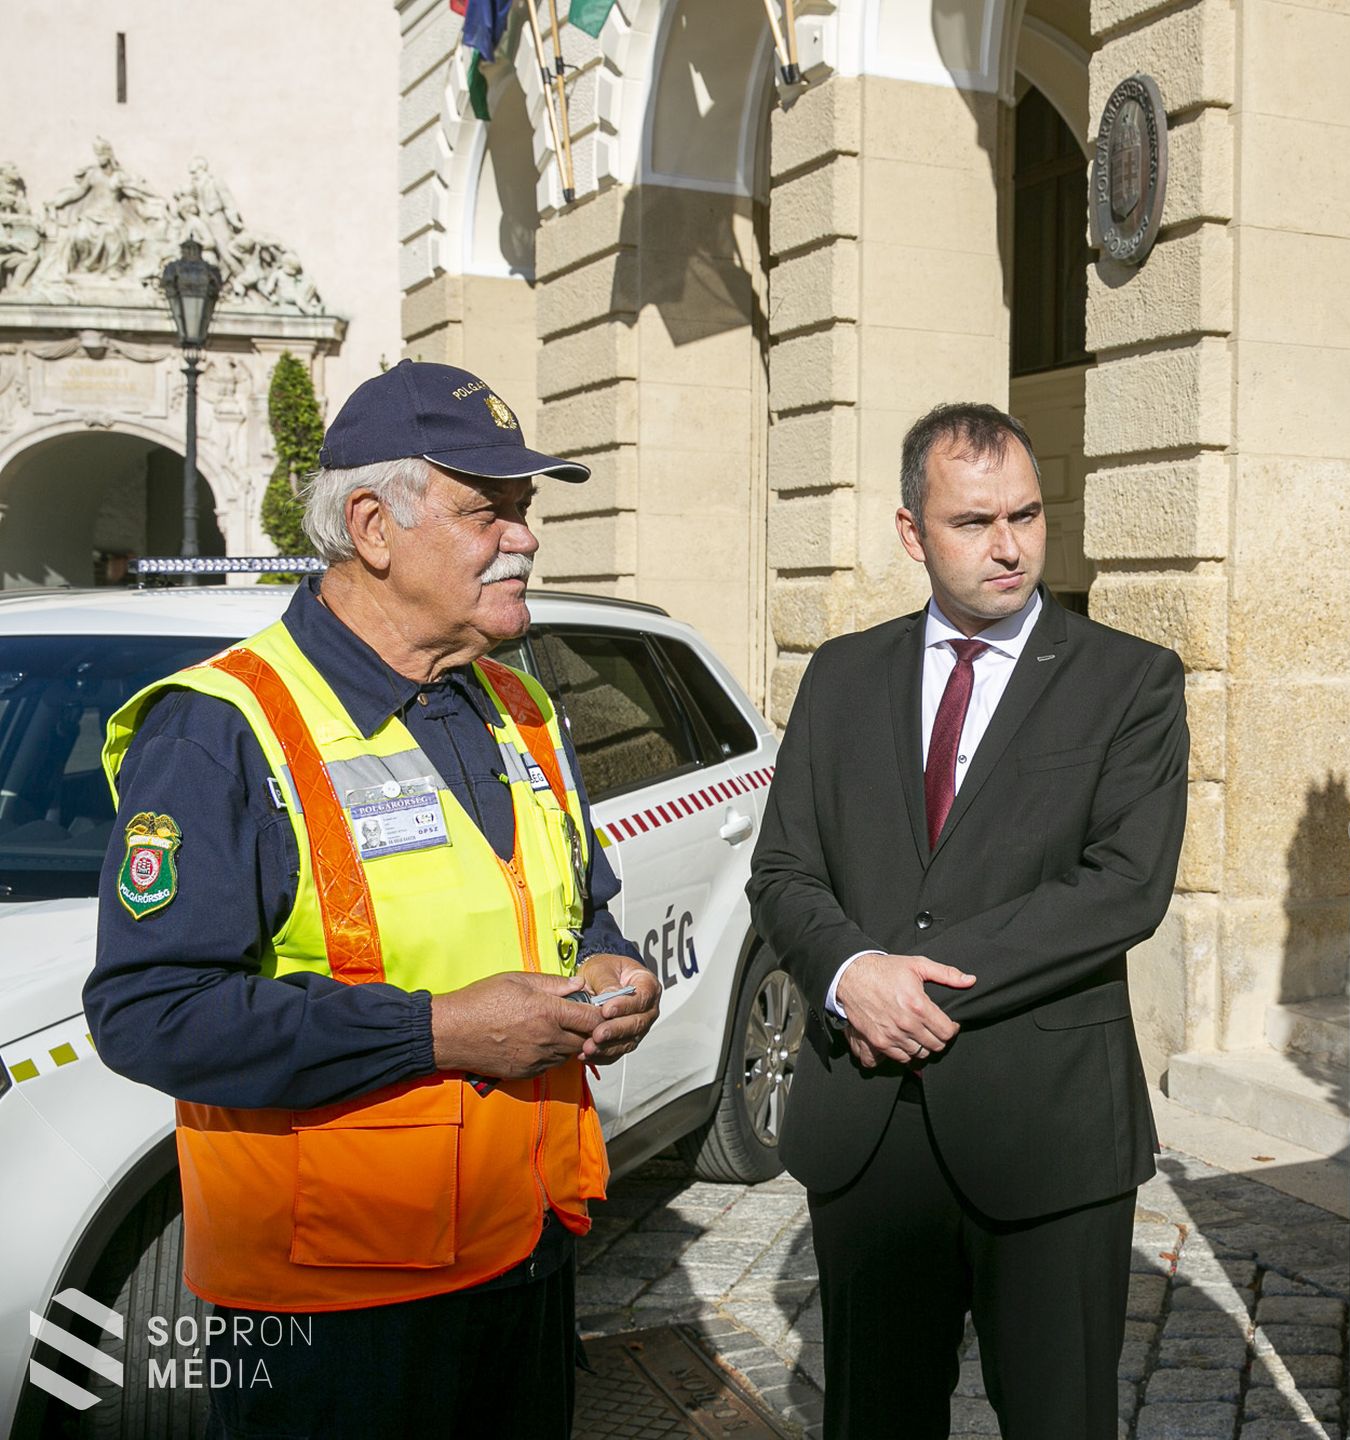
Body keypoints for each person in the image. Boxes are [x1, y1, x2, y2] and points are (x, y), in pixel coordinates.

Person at [85, 360, 658, 1440]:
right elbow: (149, 1013)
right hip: (333, 1310)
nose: (527, 538)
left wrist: (617, 972)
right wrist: (437, 1031)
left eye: (528, 511)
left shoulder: (522, 705)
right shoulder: (222, 729)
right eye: (490, 510)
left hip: (524, 1252)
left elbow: (581, 907)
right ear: (372, 527)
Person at [749, 402, 1188, 1439]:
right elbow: (783, 869)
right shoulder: (844, 675)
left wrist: (914, 976)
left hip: (1050, 1134)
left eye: (1028, 516)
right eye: (974, 522)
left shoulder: (1128, 681)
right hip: (867, 1121)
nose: (1010, 546)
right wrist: (855, 974)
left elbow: (1124, 885)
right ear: (912, 532)